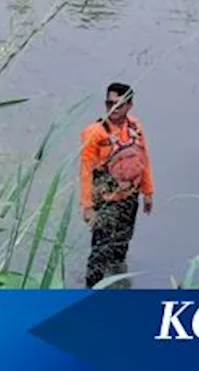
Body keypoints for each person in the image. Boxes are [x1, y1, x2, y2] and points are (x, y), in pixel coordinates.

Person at [80, 82, 154, 288]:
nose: (112, 109)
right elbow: (85, 171)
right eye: (109, 103)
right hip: (105, 203)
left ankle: (119, 284)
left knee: (122, 245)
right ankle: (91, 292)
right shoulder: (94, 133)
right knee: (99, 253)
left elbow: (143, 159)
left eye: (118, 104)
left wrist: (148, 192)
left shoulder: (135, 127)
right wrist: (87, 207)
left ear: (129, 105)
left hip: (130, 199)